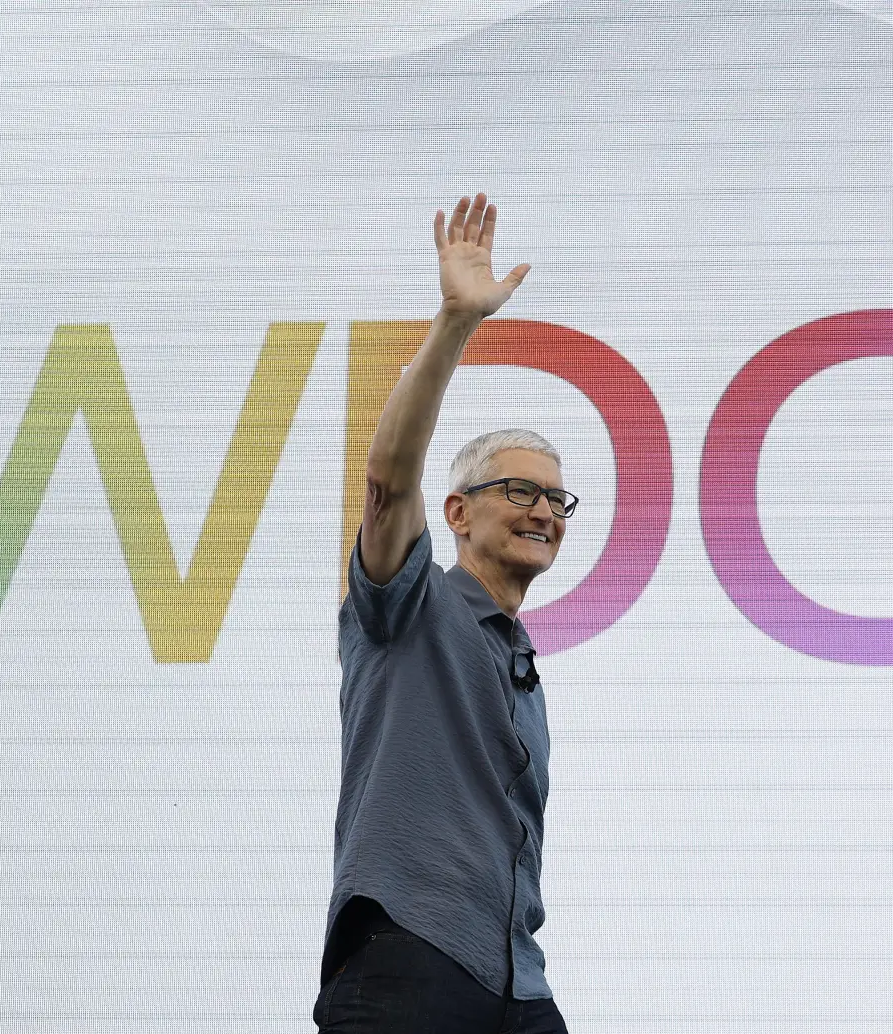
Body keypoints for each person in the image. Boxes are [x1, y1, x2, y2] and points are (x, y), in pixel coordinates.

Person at [314, 192, 576, 1033]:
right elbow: (389, 478)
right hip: (409, 964)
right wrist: (458, 323)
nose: (543, 510)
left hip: (517, 985)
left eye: (557, 498)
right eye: (520, 490)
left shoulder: (522, 659)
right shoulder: (407, 604)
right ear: (458, 514)